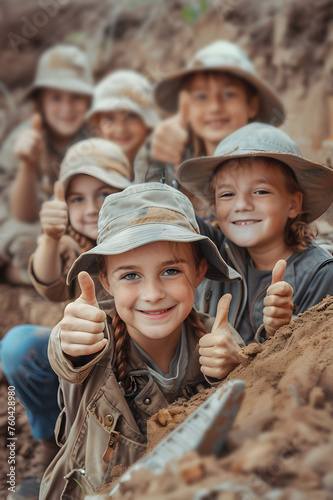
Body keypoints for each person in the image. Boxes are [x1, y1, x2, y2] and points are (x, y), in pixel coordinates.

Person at [39, 182, 243, 499]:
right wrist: (69, 342)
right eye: (131, 275)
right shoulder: (94, 335)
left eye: (171, 271)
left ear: (200, 270)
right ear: (105, 280)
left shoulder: (218, 340)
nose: (153, 294)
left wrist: (235, 367)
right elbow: (65, 354)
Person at [0, 138, 132, 500]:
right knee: (18, 346)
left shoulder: (144, 240)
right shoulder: (73, 245)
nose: (90, 208)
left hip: (134, 364)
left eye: (104, 193)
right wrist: (50, 236)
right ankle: (47, 445)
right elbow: (48, 283)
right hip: (82, 361)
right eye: (77, 198)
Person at [176, 122, 333, 346]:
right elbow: (164, 210)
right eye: (227, 194)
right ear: (215, 207)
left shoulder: (322, 275)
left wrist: (280, 332)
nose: (241, 205)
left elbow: (311, 365)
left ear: (293, 204)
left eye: (260, 191)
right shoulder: (215, 252)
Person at [134, 40, 285, 218]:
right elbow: (141, 212)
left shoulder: (273, 165)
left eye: (229, 94)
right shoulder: (169, 165)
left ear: (252, 105)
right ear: (187, 106)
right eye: (201, 96)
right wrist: (152, 153)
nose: (214, 107)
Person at [0, 44, 93, 284]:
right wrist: (28, 165)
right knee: (26, 241)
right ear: (41, 101)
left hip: (74, 222)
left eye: (76, 98)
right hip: (20, 222)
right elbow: (23, 214)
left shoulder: (91, 138)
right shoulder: (23, 140)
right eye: (56, 98)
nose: (67, 108)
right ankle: (19, 274)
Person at [87, 69, 159, 176]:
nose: (120, 129)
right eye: (109, 118)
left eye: (131, 116)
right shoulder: (88, 172)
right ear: (98, 125)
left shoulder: (167, 168)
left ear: (149, 121)